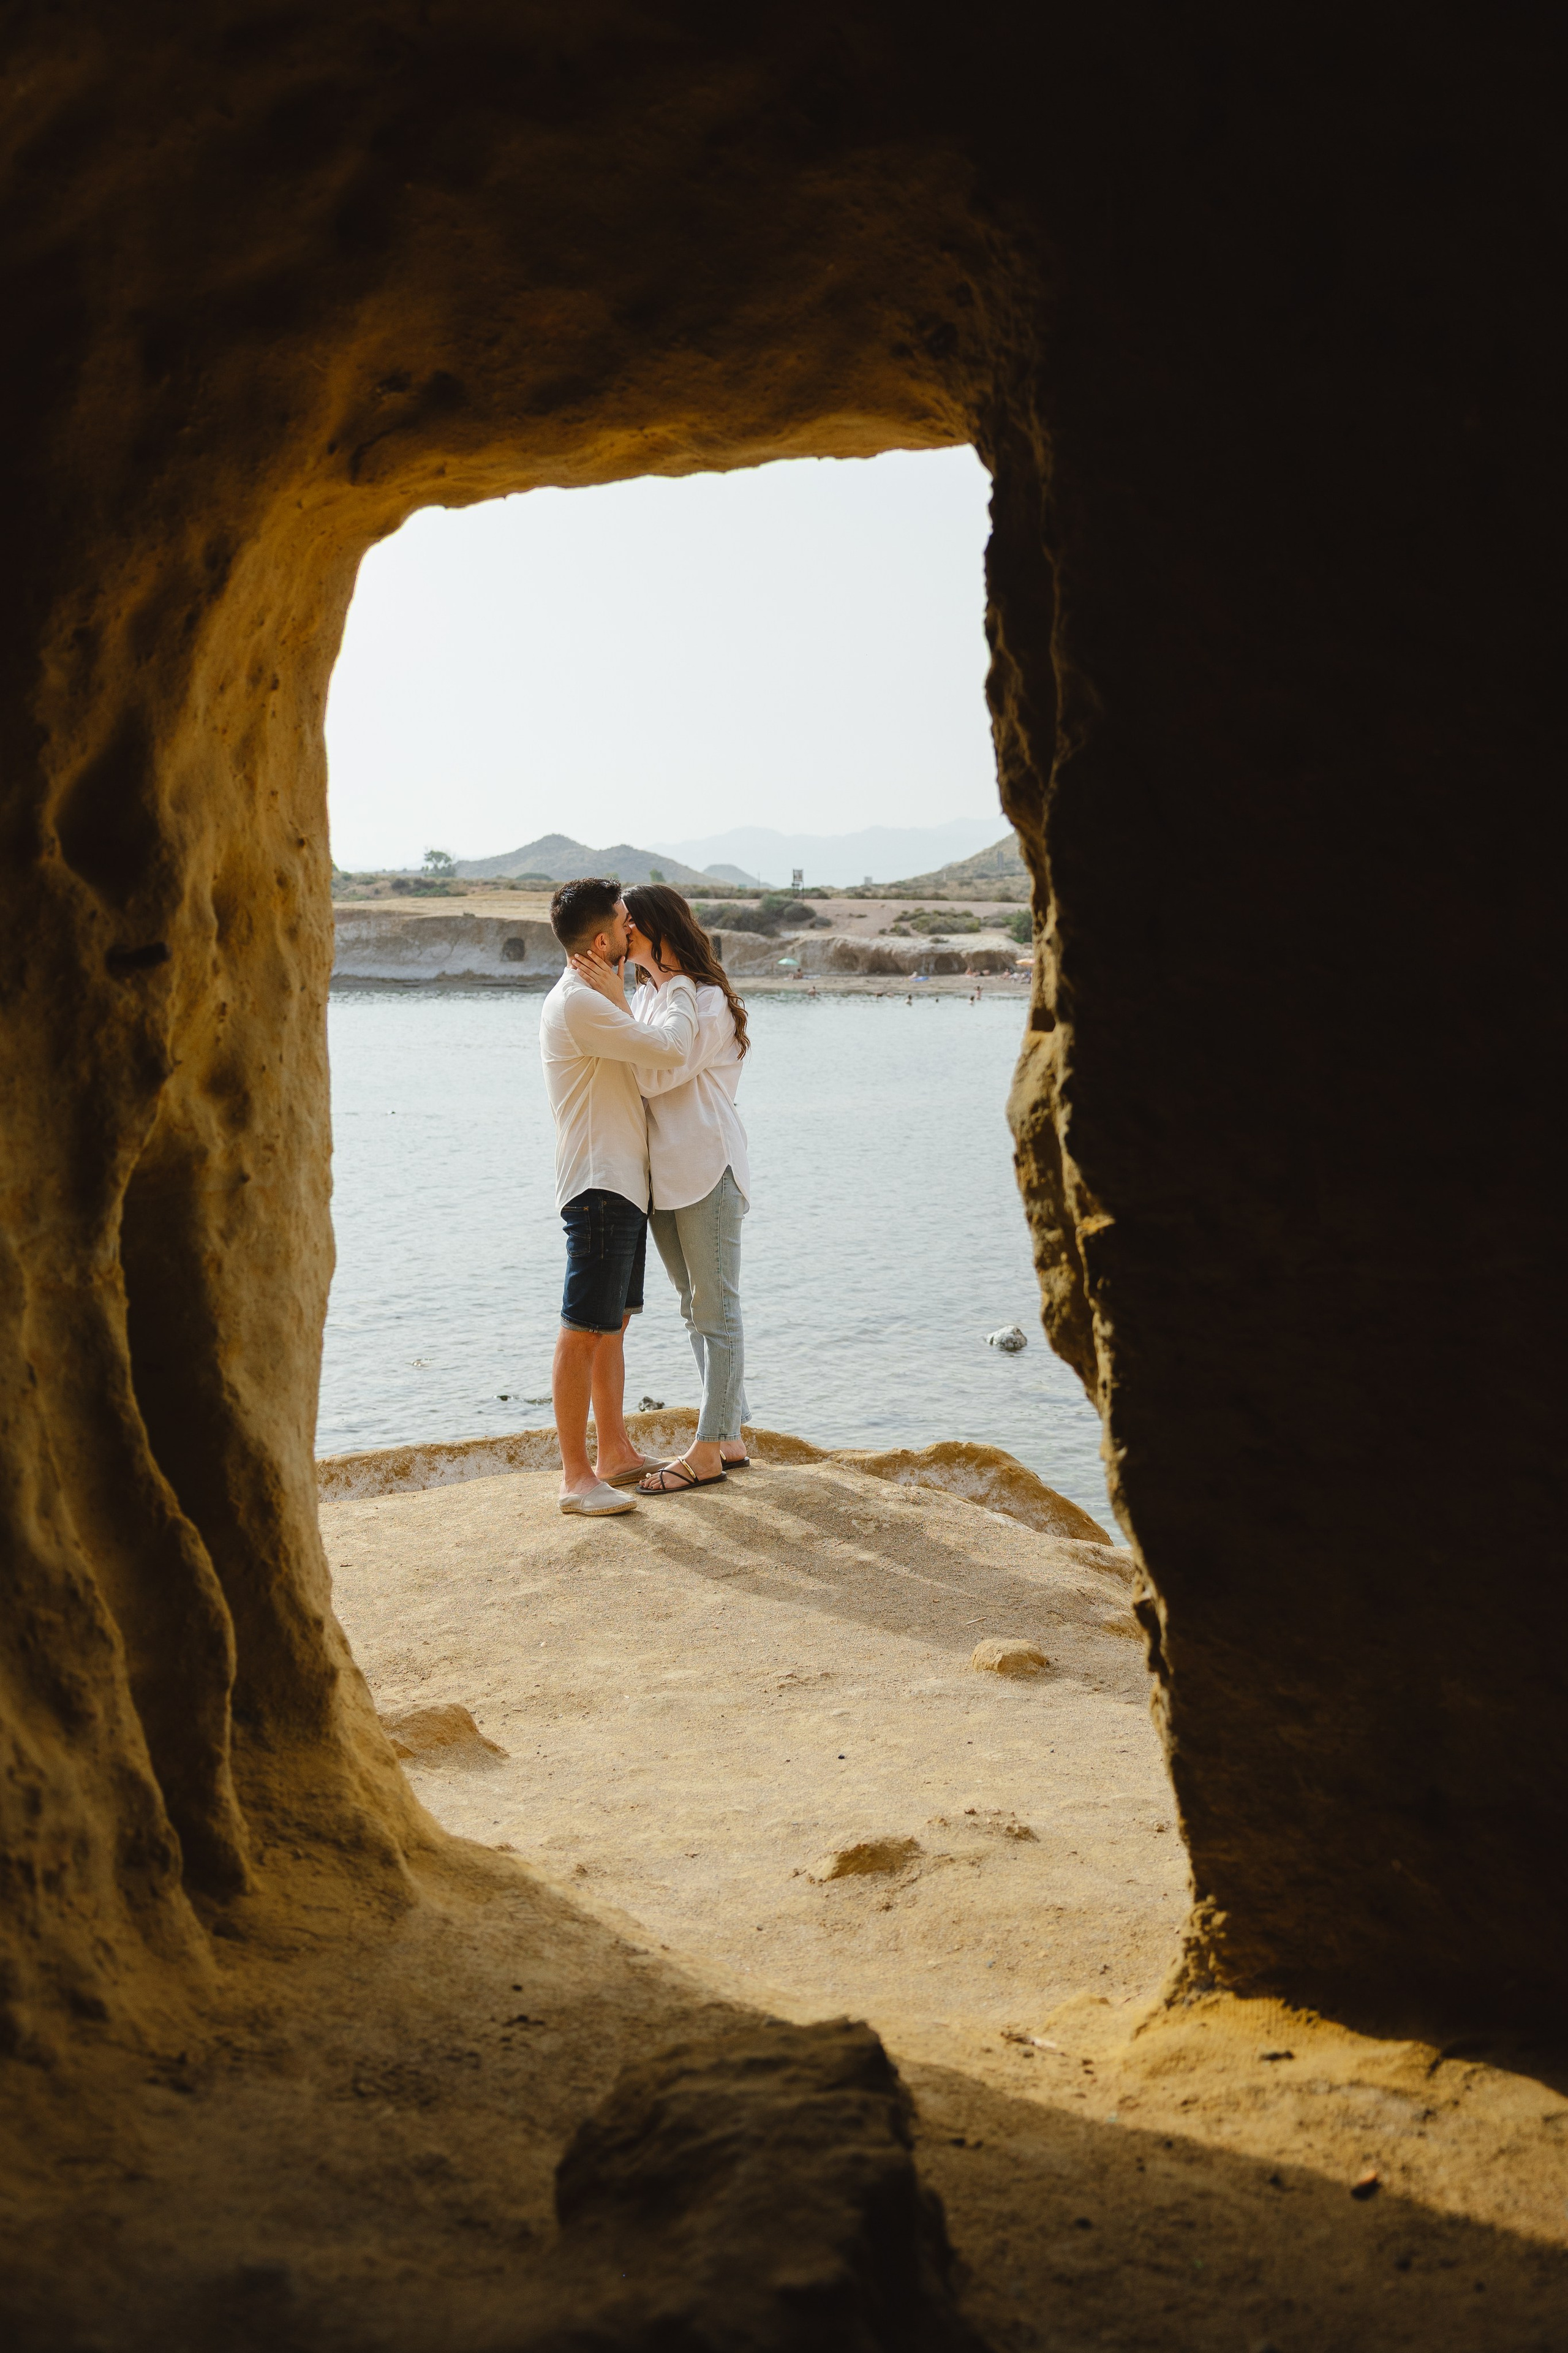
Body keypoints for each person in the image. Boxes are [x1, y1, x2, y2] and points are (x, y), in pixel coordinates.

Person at [570, 884, 750, 1497]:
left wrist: (615, 1001)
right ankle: (728, 1435)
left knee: (715, 1308)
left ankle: (708, 1446)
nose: (622, 935)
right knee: (690, 1307)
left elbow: (651, 1075)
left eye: (629, 925)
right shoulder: (649, 998)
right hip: (663, 1177)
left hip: (705, 1164)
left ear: (650, 928)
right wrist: (621, 1001)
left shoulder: (704, 999)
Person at [540, 878, 698, 1516]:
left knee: (614, 1326)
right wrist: (678, 983)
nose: (634, 929)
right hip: (598, 1183)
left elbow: (636, 1058)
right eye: (626, 922)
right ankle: (576, 1479)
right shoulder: (579, 1002)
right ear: (603, 939)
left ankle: (615, 1455)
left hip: (621, 1183)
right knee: (583, 1329)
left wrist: (624, 999)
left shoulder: (598, 996)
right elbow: (669, 1049)